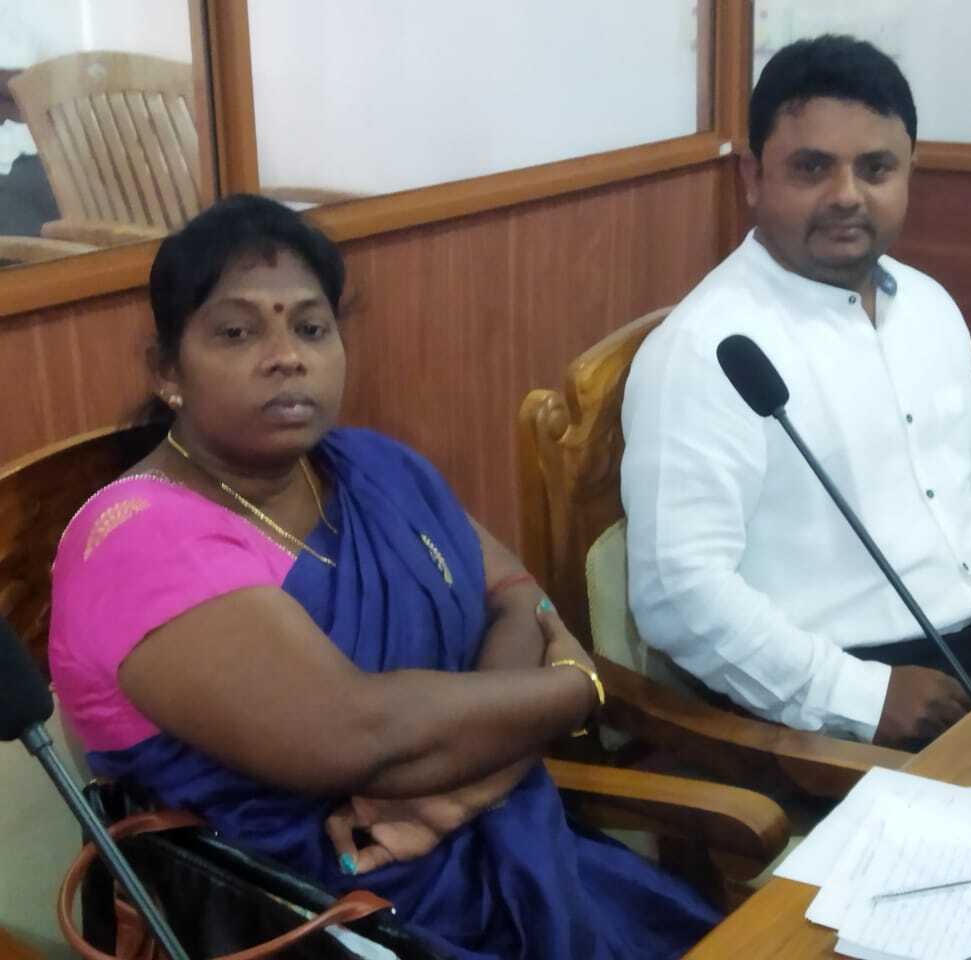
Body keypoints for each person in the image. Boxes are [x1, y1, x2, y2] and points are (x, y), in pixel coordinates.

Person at [48, 194, 718, 960]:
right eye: (237, 332)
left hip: (508, 844)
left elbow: (516, 598)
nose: (286, 356)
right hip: (313, 915)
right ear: (168, 370)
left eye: (311, 327)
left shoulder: (371, 467)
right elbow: (358, 735)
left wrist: (463, 789)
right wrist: (575, 689)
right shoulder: (140, 539)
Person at [620, 35, 971, 751]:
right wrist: (861, 694)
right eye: (812, 168)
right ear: (753, 177)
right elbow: (678, 594)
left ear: (910, 173)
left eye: (876, 168)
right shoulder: (706, 351)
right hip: (841, 706)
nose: (846, 195)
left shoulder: (928, 306)